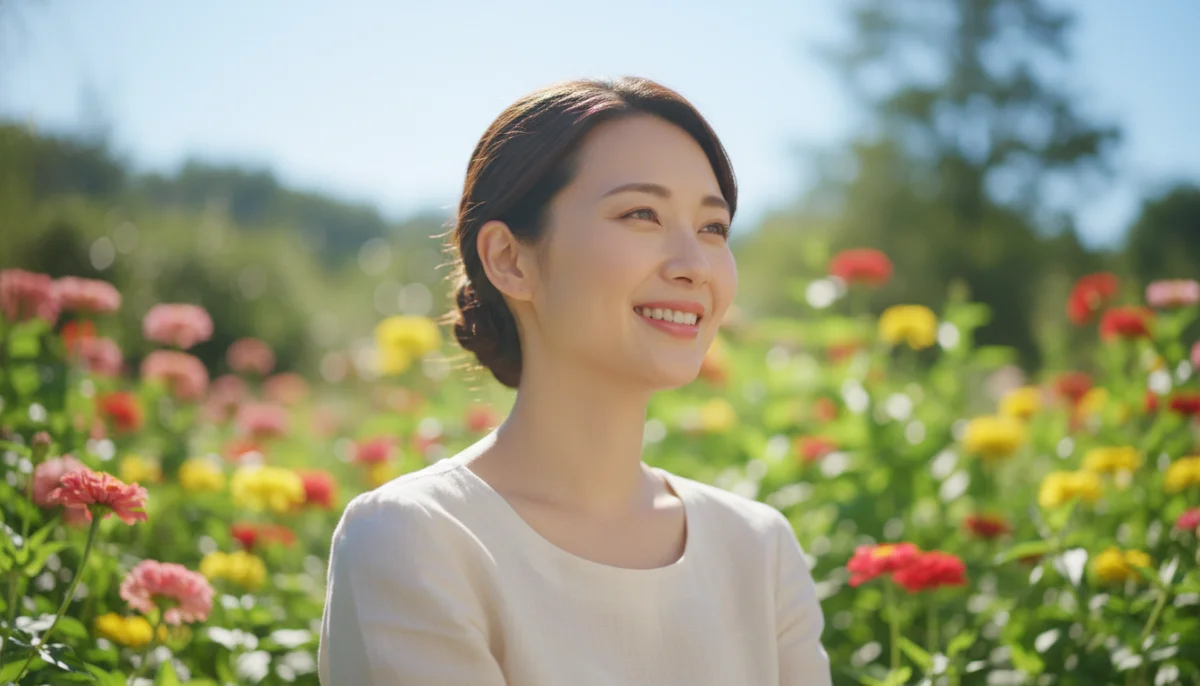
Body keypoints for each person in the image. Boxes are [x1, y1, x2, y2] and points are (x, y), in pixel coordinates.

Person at [318, 76, 832, 685]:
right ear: (509, 259)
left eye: (713, 228)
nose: (695, 266)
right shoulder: (417, 537)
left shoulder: (759, 549)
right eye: (641, 214)